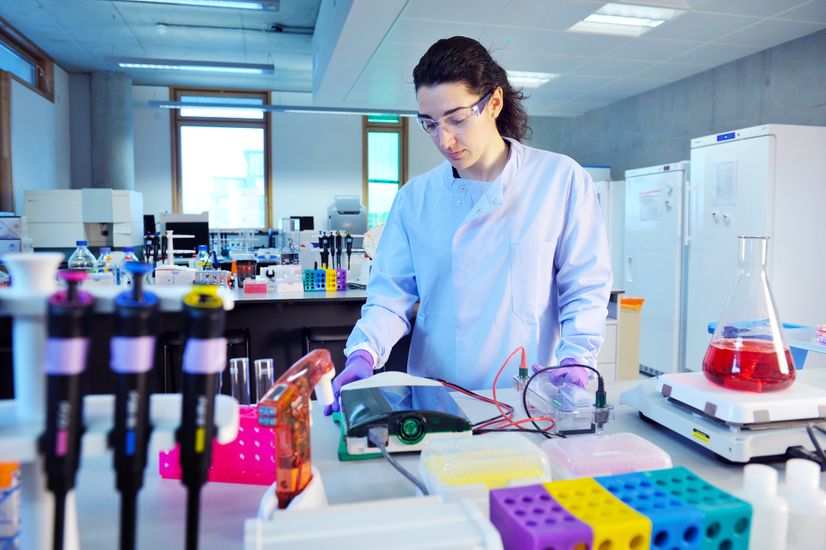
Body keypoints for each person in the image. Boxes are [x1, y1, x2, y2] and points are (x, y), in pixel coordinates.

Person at [324, 36, 612, 415]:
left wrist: (577, 357)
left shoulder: (559, 180)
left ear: (493, 103)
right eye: (429, 124)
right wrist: (364, 352)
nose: (443, 139)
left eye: (457, 120)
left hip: (528, 397)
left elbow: (585, 285)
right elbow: (390, 297)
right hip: (437, 397)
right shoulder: (416, 199)